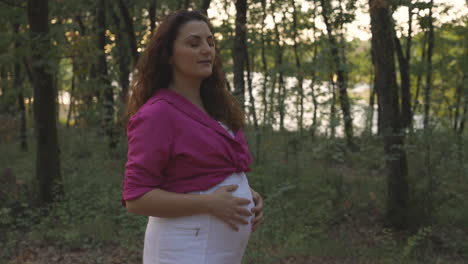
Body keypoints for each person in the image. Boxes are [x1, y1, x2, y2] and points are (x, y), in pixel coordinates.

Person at [121, 10, 264, 264]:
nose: (207, 50)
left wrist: (245, 193)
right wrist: (209, 203)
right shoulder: (158, 113)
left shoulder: (216, 106)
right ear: (169, 55)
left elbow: (202, 173)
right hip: (183, 251)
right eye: (193, 43)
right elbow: (136, 198)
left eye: (210, 42)